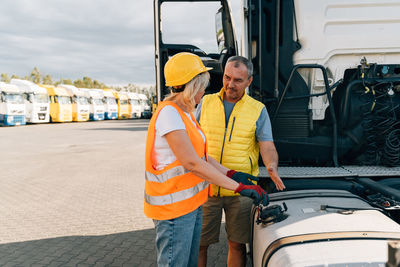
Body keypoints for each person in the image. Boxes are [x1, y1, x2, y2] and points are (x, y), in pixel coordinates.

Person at [144, 52, 270, 267]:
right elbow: (192, 163)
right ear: (192, 86)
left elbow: (202, 157)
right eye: (202, 86)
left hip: (190, 206)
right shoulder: (169, 114)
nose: (204, 91)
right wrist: (239, 187)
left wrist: (231, 174)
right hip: (174, 211)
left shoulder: (185, 115)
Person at [196, 56, 286, 267]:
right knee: (199, 245)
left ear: (249, 81)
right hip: (207, 187)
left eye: (238, 80)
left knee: (236, 245)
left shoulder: (257, 109)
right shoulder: (205, 102)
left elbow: (267, 146)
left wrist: (271, 165)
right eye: (227, 77)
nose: (230, 84)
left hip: (242, 190)